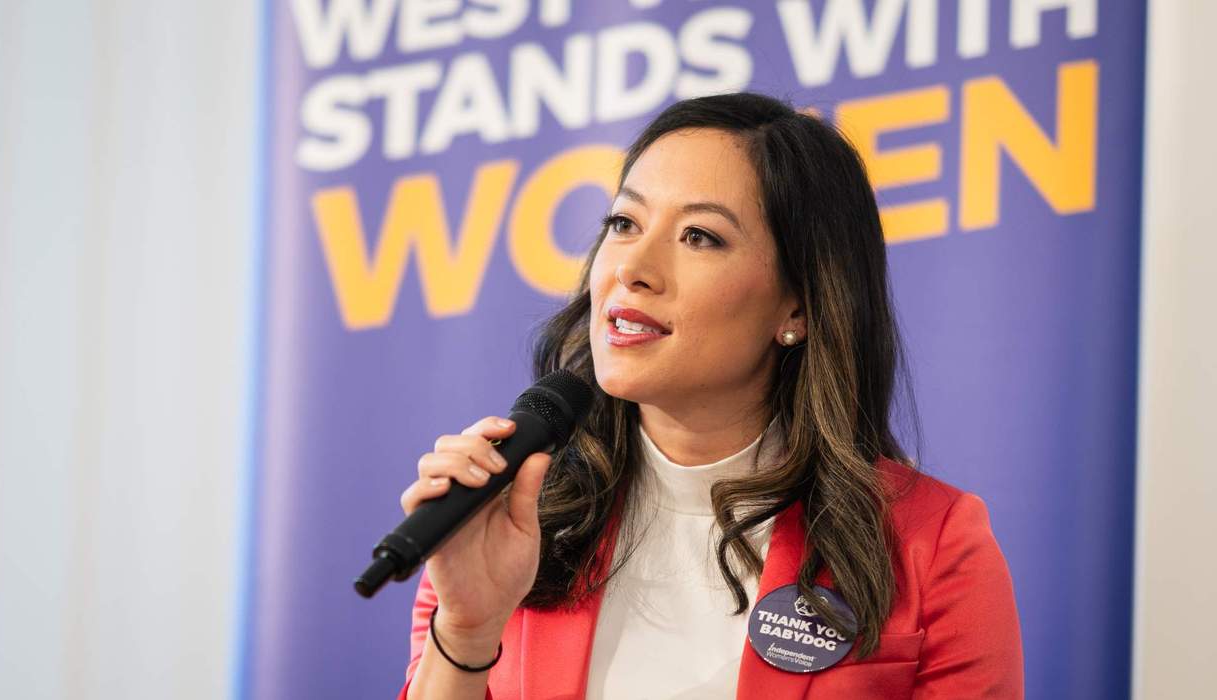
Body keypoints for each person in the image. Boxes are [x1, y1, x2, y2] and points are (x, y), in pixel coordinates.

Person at [395, 92, 1023, 699]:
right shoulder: (503, 518)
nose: (631, 266)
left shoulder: (932, 544)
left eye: (699, 236)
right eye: (623, 222)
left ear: (798, 305)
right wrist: (468, 631)